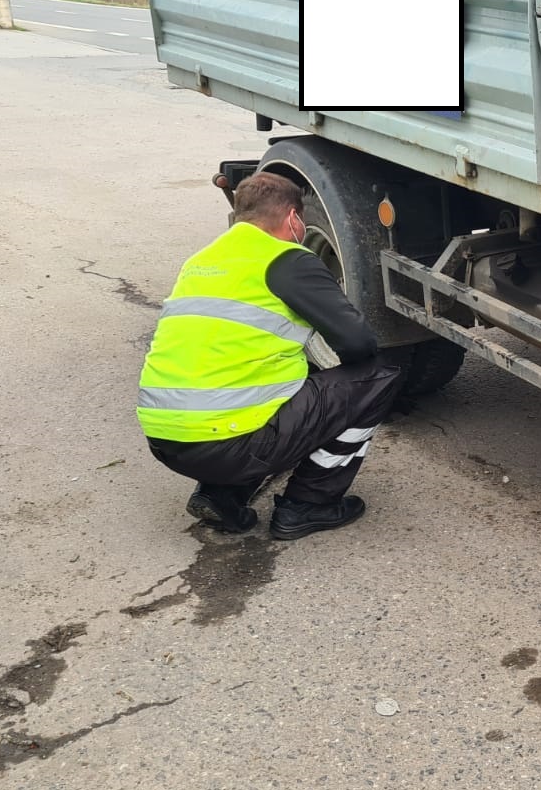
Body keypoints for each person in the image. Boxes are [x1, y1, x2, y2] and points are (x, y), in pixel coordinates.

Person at [137, 172, 402, 540]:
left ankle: (221, 494)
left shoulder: (201, 260)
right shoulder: (286, 258)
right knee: (375, 378)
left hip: (164, 438)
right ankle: (308, 505)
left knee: (254, 387)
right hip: (225, 443)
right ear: (294, 219)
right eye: (302, 223)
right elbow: (358, 344)